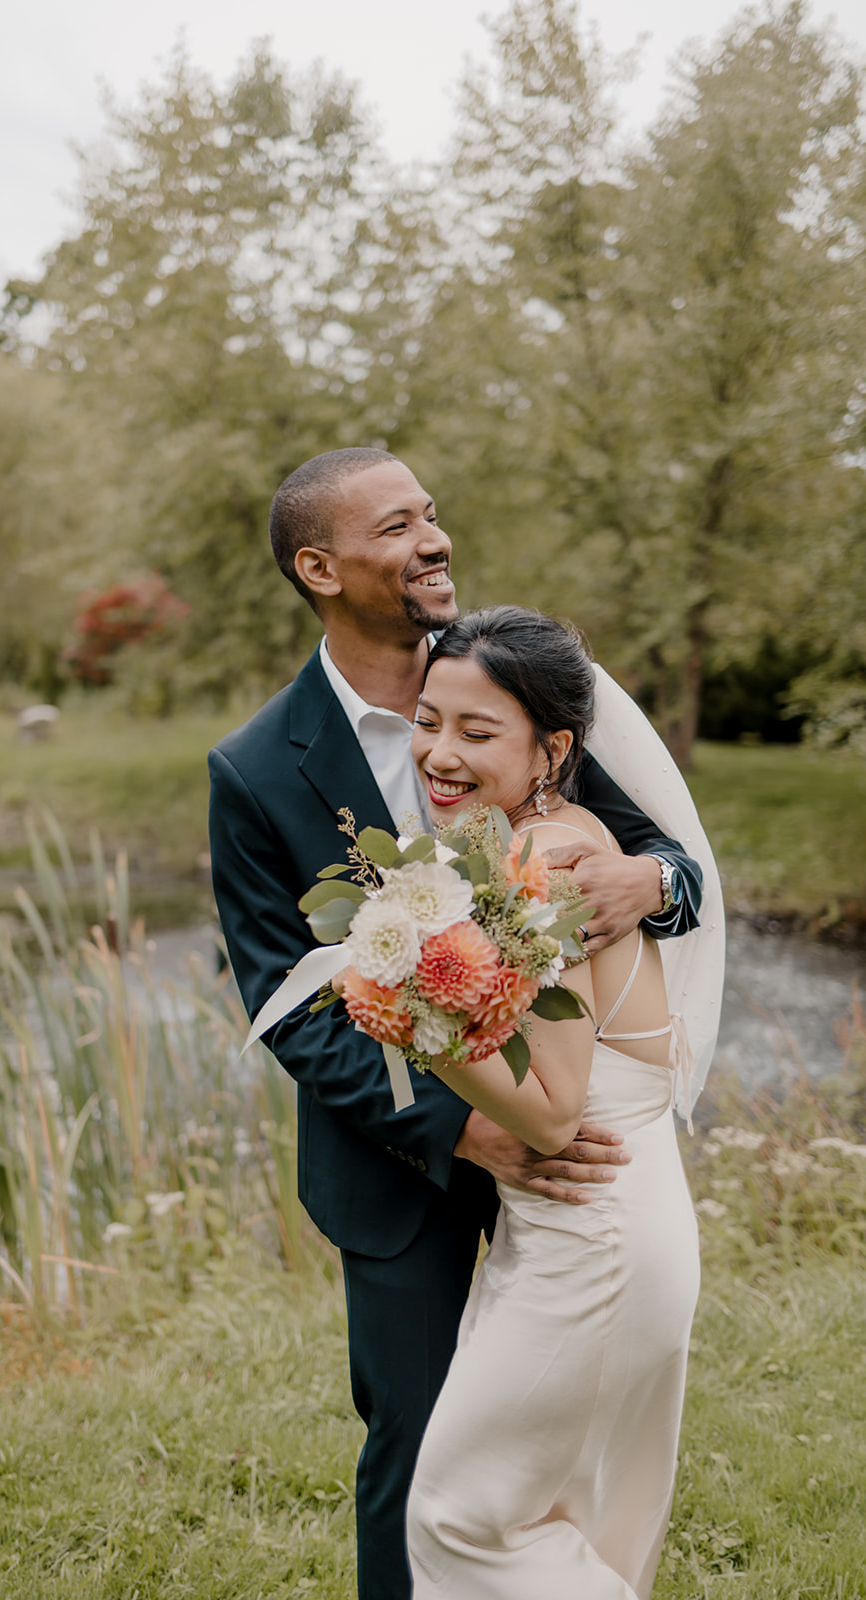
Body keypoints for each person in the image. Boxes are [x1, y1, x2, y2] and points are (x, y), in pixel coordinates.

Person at [207, 448, 702, 1600]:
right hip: (400, 1168)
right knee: (422, 1459)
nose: (434, 538)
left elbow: (661, 849)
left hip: (580, 1164)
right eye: (399, 525)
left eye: (431, 514)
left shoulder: (507, 682)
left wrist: (647, 885)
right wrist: (450, 1127)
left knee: (555, 1459)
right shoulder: (253, 767)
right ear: (319, 566)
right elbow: (285, 998)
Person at [405, 606, 701, 1597]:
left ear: (553, 748)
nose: (438, 754)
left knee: (460, 1519)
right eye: (425, 720)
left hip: (593, 1237)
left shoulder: (543, 860)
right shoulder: (532, 841)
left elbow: (548, 1112)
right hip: (590, 1229)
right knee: (558, 1515)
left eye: (476, 732)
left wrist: (410, 1018)